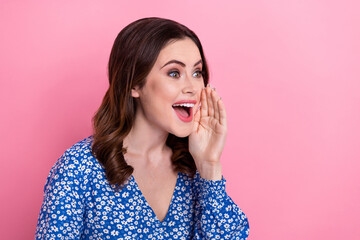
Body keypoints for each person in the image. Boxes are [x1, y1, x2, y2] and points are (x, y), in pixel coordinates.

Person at [35, 17, 249, 239]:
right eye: (174, 73)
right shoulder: (78, 169)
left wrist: (209, 165)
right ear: (134, 84)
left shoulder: (195, 169)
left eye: (197, 73)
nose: (193, 88)